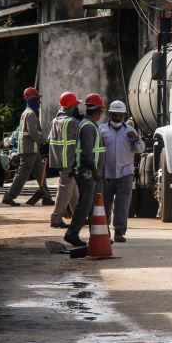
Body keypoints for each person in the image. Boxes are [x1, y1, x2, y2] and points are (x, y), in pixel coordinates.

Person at [64, 93, 107, 247]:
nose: (102, 113)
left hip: (90, 172)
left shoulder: (88, 124)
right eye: (101, 110)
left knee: (93, 206)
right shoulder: (88, 126)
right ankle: (72, 233)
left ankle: (98, 235)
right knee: (85, 204)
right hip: (87, 173)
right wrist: (95, 172)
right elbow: (88, 153)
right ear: (98, 110)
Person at [99, 100, 144, 242]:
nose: (117, 118)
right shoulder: (102, 130)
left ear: (124, 116)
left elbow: (141, 149)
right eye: (115, 115)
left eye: (120, 115)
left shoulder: (129, 131)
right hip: (107, 173)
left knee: (122, 204)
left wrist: (136, 139)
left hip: (125, 173)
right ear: (110, 114)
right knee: (104, 204)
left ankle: (119, 231)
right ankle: (103, 231)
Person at [2, 87, 53, 206]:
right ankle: (9, 196)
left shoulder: (26, 113)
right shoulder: (30, 114)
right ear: (31, 100)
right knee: (23, 174)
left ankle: (46, 197)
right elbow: (33, 133)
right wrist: (43, 142)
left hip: (32, 149)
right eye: (37, 100)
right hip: (29, 149)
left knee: (41, 173)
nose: (39, 102)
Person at [48, 91, 83, 229]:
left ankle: (78, 216)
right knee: (65, 189)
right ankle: (56, 218)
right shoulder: (73, 122)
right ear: (71, 107)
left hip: (60, 159)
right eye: (75, 105)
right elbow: (84, 132)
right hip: (70, 158)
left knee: (72, 189)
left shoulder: (55, 120)